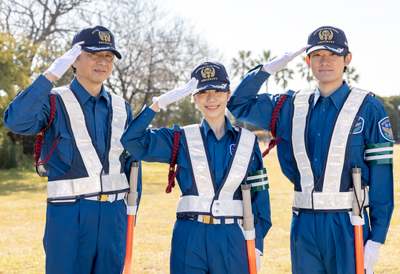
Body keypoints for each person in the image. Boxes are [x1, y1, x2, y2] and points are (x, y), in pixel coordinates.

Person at [227, 26, 394, 274]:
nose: (325, 61)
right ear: (308, 61)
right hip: (303, 224)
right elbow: (238, 105)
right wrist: (268, 69)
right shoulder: (290, 106)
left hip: (349, 225)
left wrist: (377, 239)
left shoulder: (368, 108)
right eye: (317, 55)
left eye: (333, 55)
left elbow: (382, 180)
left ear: (347, 59)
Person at [4, 25, 142, 274]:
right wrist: (49, 76)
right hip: (69, 220)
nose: (102, 62)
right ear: (75, 59)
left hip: (114, 219)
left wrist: (130, 214)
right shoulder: (52, 101)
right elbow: (16, 121)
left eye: (108, 56)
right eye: (93, 55)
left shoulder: (123, 108)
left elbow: (131, 166)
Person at [121, 61, 271, 274]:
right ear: (194, 98)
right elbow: (131, 140)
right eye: (203, 92)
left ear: (228, 94)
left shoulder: (248, 142)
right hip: (189, 237)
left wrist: (256, 244)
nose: (211, 99)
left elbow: (260, 198)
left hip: (234, 238)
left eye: (218, 91)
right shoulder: (179, 138)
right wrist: (157, 104)